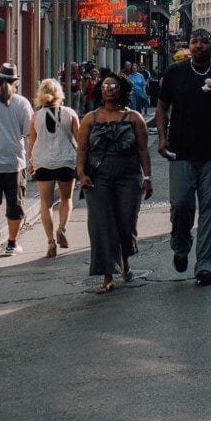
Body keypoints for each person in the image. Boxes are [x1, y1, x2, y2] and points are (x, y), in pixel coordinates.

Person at [156, 28, 211, 285]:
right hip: (181, 150)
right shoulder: (174, 73)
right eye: (194, 42)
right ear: (189, 45)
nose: (199, 46)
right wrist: (162, 138)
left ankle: (205, 266)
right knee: (181, 204)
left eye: (204, 42)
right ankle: (181, 246)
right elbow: (162, 107)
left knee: (208, 211)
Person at [76, 73, 152, 294]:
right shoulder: (91, 118)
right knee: (102, 225)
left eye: (114, 86)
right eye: (106, 86)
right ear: (100, 90)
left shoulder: (134, 118)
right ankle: (108, 275)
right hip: (98, 177)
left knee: (126, 224)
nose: (109, 89)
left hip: (128, 176)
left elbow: (142, 150)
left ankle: (125, 262)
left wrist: (147, 178)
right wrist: (81, 174)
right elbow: (82, 149)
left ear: (122, 90)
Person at [27, 79, 79, 258]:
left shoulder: (35, 117)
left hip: (43, 162)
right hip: (66, 161)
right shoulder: (70, 113)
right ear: (60, 93)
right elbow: (78, 139)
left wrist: (31, 162)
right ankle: (62, 228)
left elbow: (32, 142)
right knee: (66, 198)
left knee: (46, 203)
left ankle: (50, 241)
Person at [0, 63, 33, 257]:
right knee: (15, 203)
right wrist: (33, 158)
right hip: (14, 162)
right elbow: (30, 133)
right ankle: (11, 244)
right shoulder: (22, 103)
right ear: (15, 82)